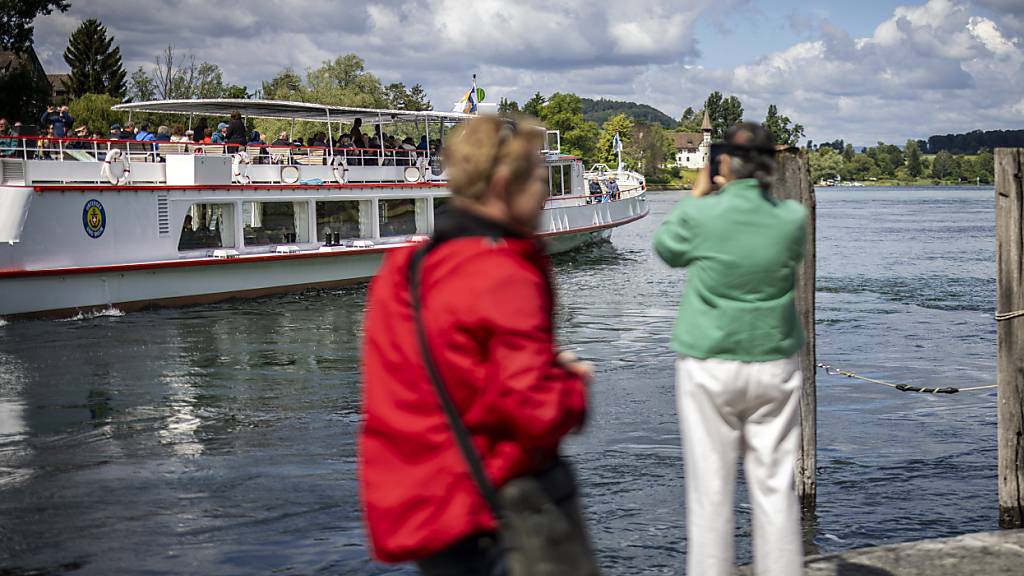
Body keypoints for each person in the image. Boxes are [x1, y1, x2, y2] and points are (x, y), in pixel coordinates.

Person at [359, 116, 592, 575]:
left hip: (424, 503)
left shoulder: (405, 267)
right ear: (505, 184)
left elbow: (408, 381)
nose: (547, 195)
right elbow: (535, 407)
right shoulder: (502, 272)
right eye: (542, 180)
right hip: (492, 507)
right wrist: (571, 383)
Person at [653, 122, 807, 576]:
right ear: (769, 166)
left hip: (709, 362)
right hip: (774, 359)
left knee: (711, 489)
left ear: (723, 163)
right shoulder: (792, 218)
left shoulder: (702, 215)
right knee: (776, 485)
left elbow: (666, 248)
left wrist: (699, 195)